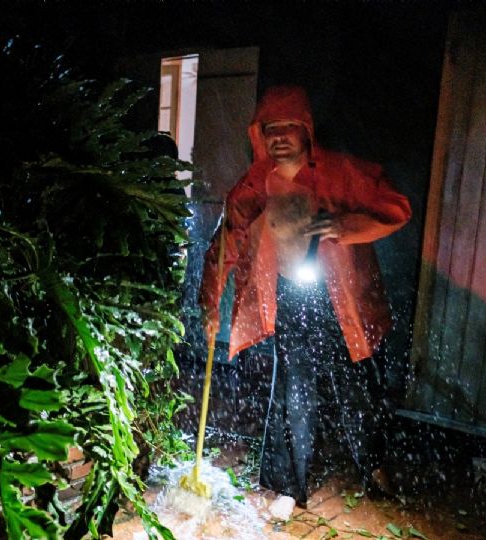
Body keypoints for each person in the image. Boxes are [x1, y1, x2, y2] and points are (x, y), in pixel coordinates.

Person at [198, 85, 411, 506]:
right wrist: (210, 303)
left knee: (358, 387)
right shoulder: (254, 185)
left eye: (288, 129)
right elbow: (226, 243)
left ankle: (373, 464)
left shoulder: (340, 172)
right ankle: (286, 484)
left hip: (341, 301)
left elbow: (398, 208)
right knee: (294, 390)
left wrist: (347, 225)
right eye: (270, 130)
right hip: (291, 298)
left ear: (306, 131)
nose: (279, 139)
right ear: (259, 134)